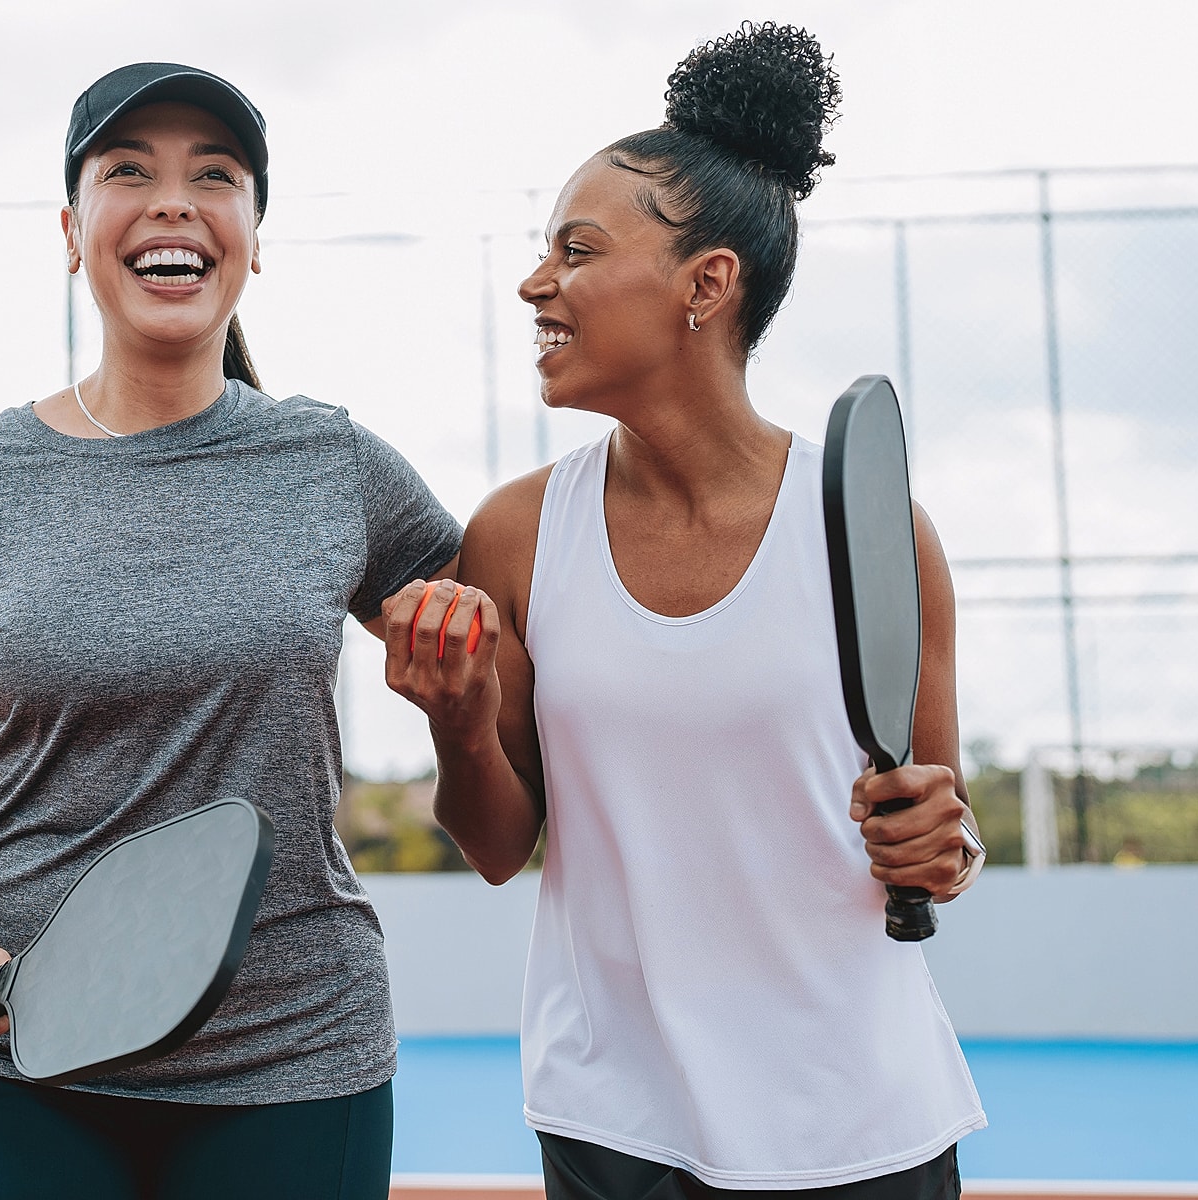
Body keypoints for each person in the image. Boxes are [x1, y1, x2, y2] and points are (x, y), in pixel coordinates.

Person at [0, 62, 461, 1200]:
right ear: (71, 232)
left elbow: (513, 653)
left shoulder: (337, 464)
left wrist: (468, 674)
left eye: (214, 176)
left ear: (254, 238)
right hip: (22, 1051)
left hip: (298, 1055)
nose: (173, 202)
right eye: (130, 172)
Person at [380, 24, 987, 1199]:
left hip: (861, 1122)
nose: (534, 281)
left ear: (705, 284)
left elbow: (942, 829)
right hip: (616, 1126)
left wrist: (941, 842)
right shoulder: (514, 534)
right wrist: (455, 723)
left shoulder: (876, 529)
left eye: (577, 249)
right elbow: (499, 846)